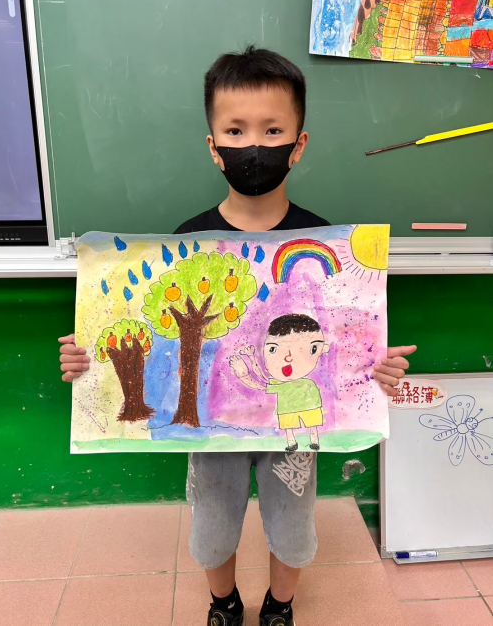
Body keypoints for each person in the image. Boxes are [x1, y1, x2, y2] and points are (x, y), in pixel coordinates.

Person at [59, 46, 417, 626]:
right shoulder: (187, 241)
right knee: (212, 524)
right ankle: (223, 603)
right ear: (214, 146)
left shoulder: (325, 241)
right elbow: (152, 337)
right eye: (236, 130)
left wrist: (377, 370)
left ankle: (280, 606)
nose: (254, 145)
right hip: (212, 418)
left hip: (293, 424)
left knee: (293, 526)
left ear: (299, 144)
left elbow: (345, 345)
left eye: (273, 130)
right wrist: (89, 362)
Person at [230, 314, 329, 452]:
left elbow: (260, 382)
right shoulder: (280, 384)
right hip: (287, 410)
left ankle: (313, 442)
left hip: (308, 407)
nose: (288, 357)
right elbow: (260, 380)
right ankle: (293, 443)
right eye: (273, 349)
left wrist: (246, 368)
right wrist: (245, 368)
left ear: (322, 349)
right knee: (290, 426)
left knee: (311, 425)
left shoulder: (306, 385)